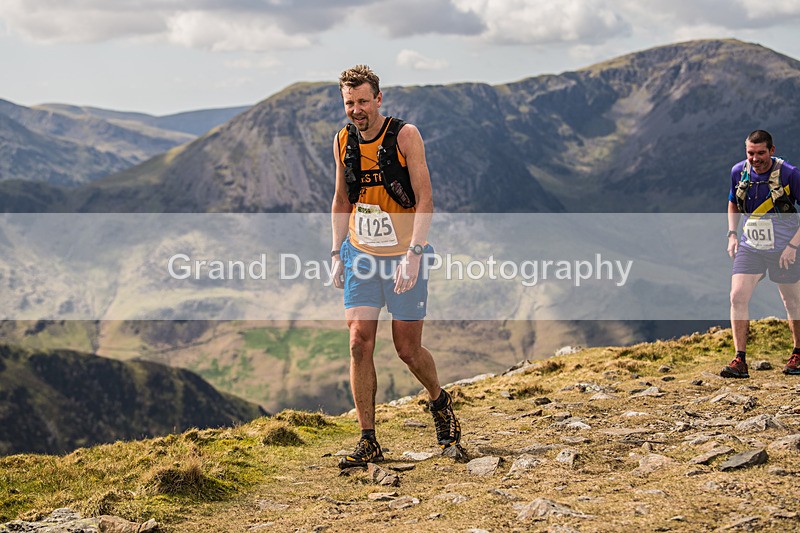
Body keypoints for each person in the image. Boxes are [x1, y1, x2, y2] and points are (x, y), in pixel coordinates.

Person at [330, 65, 461, 467]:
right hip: (360, 256)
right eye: (349, 102)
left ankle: (439, 402)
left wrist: (414, 254)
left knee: (407, 349)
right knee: (358, 343)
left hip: (404, 257)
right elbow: (340, 199)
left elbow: (425, 199)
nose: (357, 110)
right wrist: (336, 252)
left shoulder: (405, 136)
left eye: (363, 101)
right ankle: (368, 439)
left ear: (379, 99)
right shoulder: (342, 140)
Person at [722, 130, 800, 378]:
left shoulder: (790, 173)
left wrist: (793, 246)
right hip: (751, 245)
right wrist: (732, 233)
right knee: (737, 296)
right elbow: (733, 201)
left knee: (792, 302)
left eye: (761, 153)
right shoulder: (739, 171)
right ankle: (739, 360)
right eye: (750, 153)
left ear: (772, 150)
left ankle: (798, 352)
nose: (755, 158)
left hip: (783, 247)